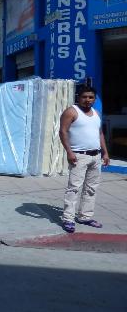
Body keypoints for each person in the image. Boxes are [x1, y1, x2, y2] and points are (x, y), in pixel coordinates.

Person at [58, 85, 110, 233]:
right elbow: (63, 132)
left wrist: (105, 153)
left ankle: (85, 216)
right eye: (84, 97)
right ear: (78, 97)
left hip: (96, 156)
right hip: (79, 156)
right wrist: (69, 152)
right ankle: (68, 219)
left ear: (94, 99)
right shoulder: (71, 112)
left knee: (91, 188)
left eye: (91, 97)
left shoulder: (96, 113)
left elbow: (100, 134)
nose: (88, 100)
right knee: (74, 188)